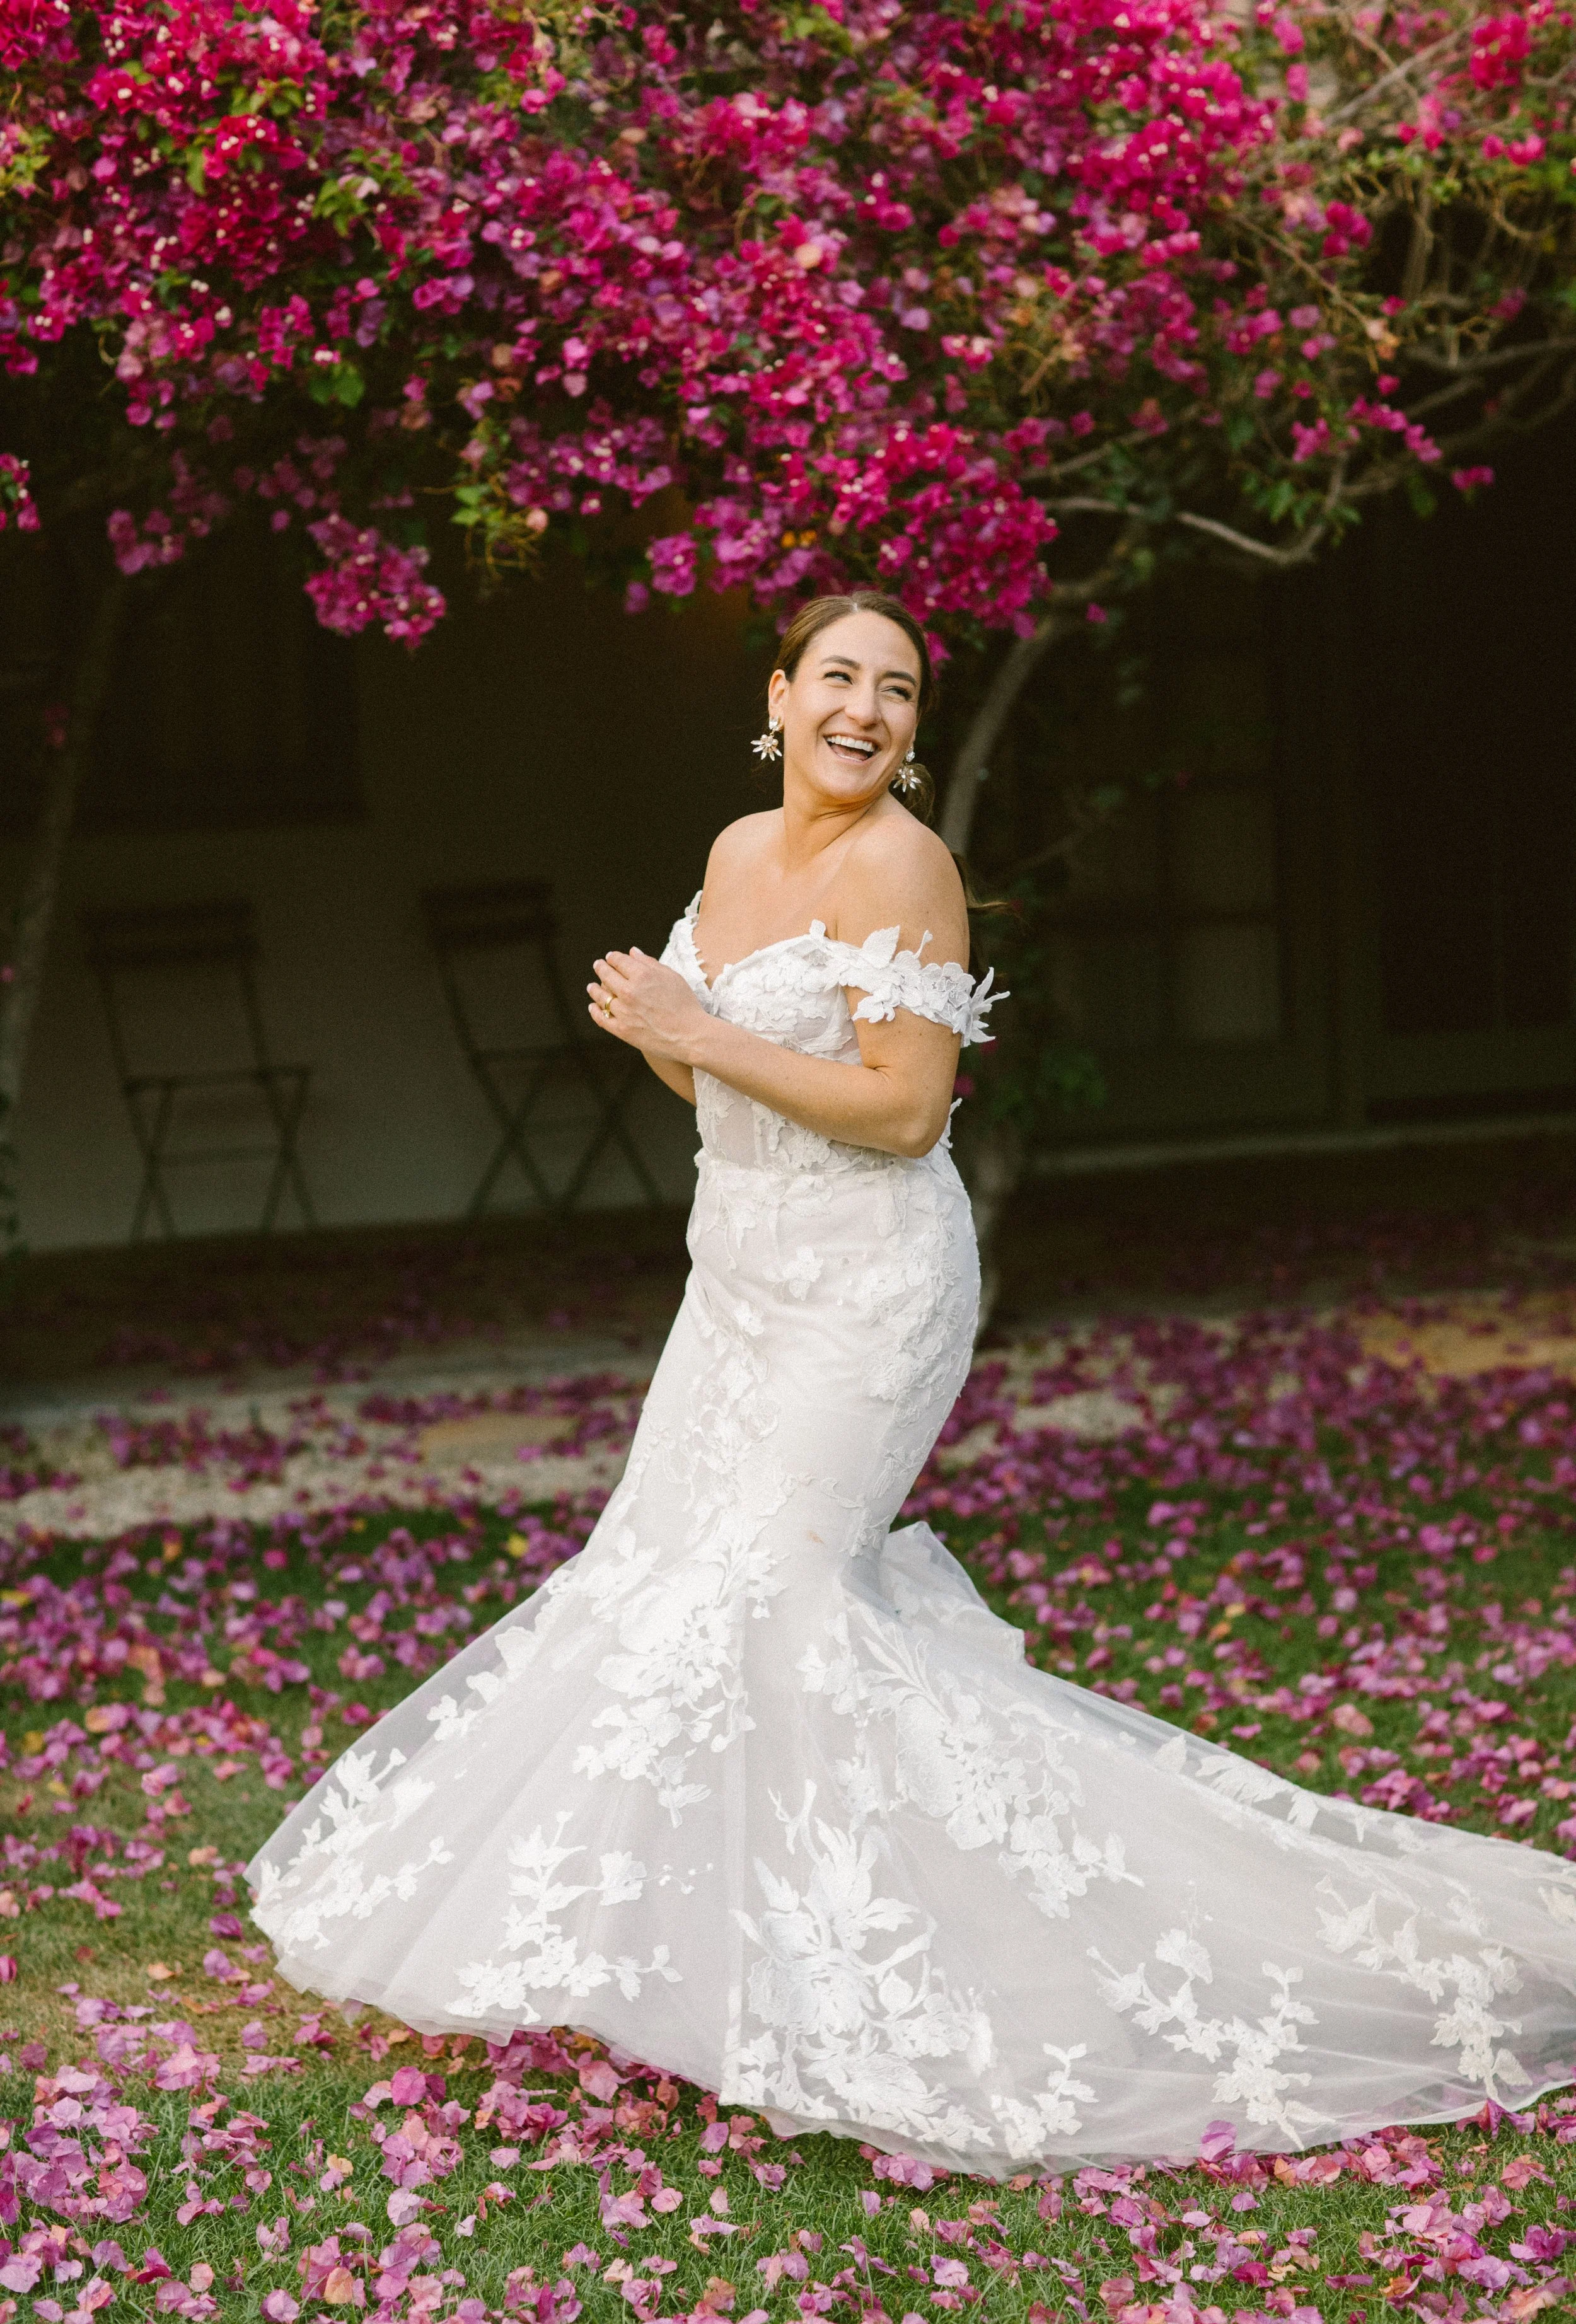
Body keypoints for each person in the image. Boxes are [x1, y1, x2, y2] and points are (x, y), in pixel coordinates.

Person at [248, 591, 1576, 2174]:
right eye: (837, 679)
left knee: (770, 1604)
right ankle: (722, 1957)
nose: (864, 708)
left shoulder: (904, 867)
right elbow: (711, 1060)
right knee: (665, 1584)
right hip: (735, 1279)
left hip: (864, 1293)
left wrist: (693, 1032)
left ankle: (901, 1975)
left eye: (895, 690)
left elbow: (897, 1109)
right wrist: (654, 1032)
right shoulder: (740, 851)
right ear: (779, 695)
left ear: (912, 732)